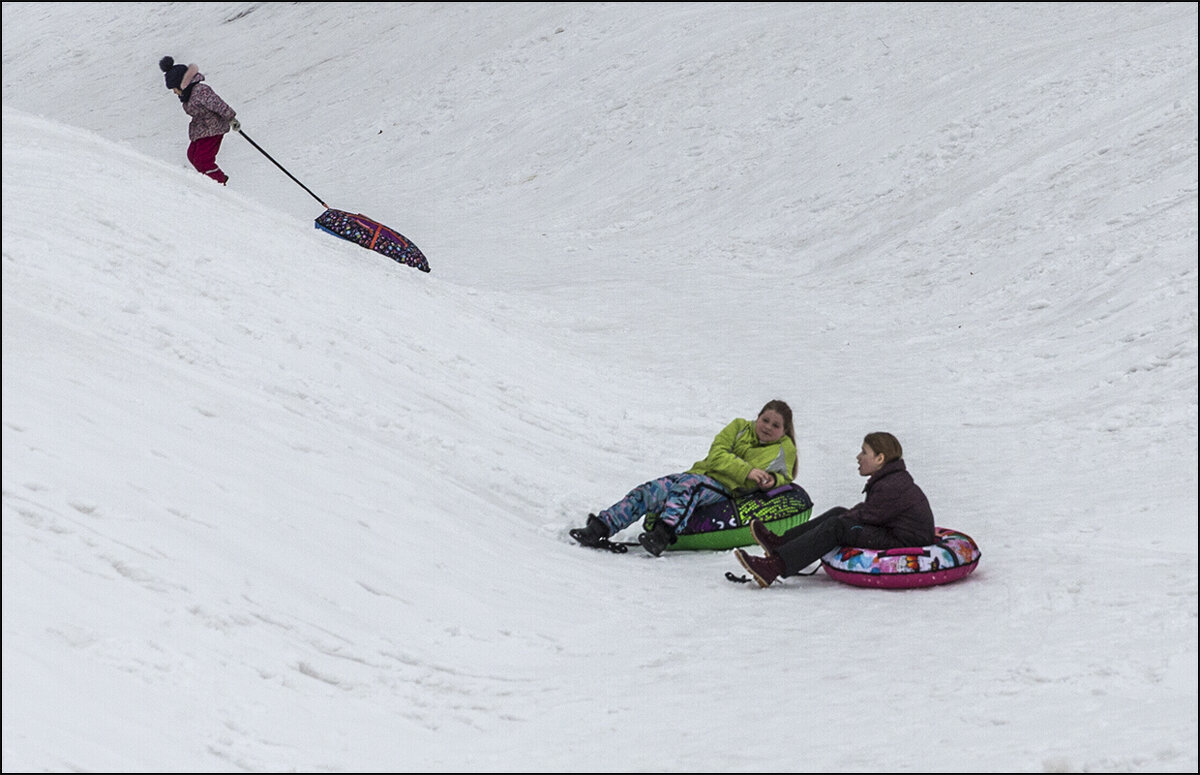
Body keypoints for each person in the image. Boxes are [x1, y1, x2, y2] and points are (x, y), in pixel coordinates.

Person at [570, 400, 798, 556]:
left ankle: (662, 534)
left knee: (691, 487)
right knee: (648, 491)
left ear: (785, 431)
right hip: (700, 473)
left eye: (776, 425)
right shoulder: (739, 427)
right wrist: (747, 470)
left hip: (727, 488)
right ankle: (601, 527)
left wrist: (772, 481)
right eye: (765, 420)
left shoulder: (783, 449)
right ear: (757, 417)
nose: (768, 427)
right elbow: (717, 454)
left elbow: (785, 476)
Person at [734, 431, 934, 588]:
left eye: (864, 452)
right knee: (839, 512)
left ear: (880, 459)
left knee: (839, 526)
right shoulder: (890, 479)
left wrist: (847, 518)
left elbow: (871, 516)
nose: (858, 457)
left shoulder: (892, 484)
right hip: (893, 531)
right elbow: (874, 512)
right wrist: (847, 514)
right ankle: (780, 543)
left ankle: (773, 567)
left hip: (903, 540)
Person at [159, 56, 240, 185]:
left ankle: (219, 182)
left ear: (181, 83)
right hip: (202, 129)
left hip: (213, 128)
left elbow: (218, 104)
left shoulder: (200, 91)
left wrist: (231, 118)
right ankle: (209, 180)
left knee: (202, 160)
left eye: (175, 88)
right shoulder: (188, 94)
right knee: (192, 155)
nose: (174, 92)